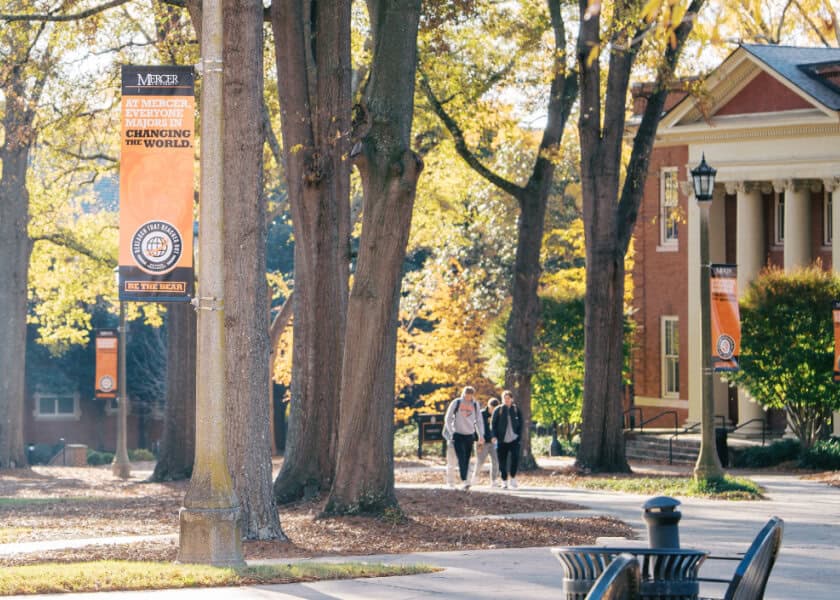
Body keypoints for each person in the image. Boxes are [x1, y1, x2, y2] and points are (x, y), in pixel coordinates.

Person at [443, 385, 484, 490]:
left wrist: (481, 435)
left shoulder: (475, 404)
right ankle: (456, 481)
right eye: (466, 396)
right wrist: (452, 432)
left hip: (469, 435)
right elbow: (447, 418)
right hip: (457, 435)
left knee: (466, 459)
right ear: (463, 394)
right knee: (457, 459)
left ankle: (465, 482)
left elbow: (479, 420)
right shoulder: (456, 402)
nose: (468, 398)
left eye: (470, 396)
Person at [491, 390, 522, 489]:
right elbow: (493, 425)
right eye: (505, 398)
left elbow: (521, 425)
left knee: (515, 458)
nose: (507, 400)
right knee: (502, 461)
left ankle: (513, 478)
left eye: (508, 398)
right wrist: (494, 436)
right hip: (501, 440)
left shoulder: (516, 410)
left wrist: (519, 437)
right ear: (502, 399)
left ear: (512, 399)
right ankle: (504, 480)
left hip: (514, 439)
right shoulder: (498, 410)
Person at [470, 397, 500, 487]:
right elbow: (478, 427)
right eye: (492, 409)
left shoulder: (498, 415)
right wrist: (482, 438)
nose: (493, 411)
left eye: (495, 409)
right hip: (482, 442)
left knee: (496, 461)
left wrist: (496, 437)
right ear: (488, 406)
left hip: (493, 443)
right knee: (480, 461)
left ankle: (494, 480)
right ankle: (474, 478)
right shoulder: (481, 414)